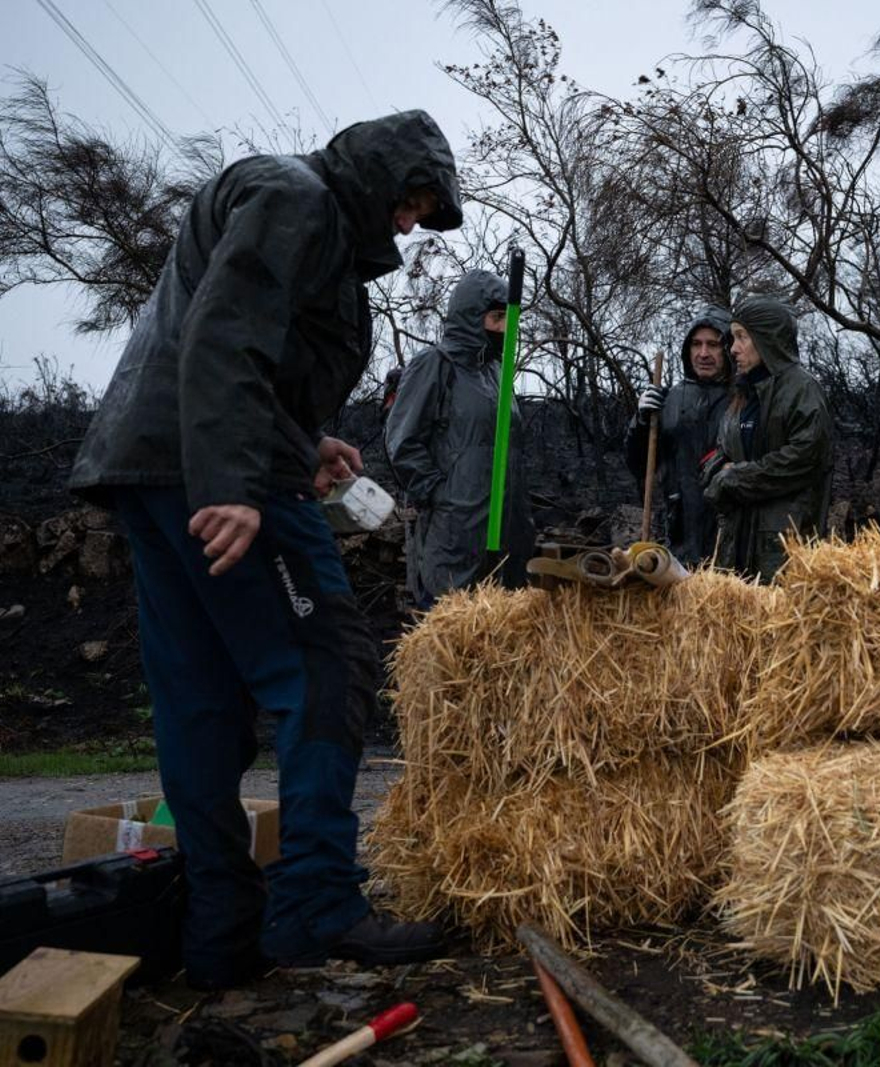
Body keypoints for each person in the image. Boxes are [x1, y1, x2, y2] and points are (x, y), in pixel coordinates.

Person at [68, 110, 463, 989]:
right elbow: (225, 336)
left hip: (152, 464)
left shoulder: (292, 200)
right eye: (410, 204)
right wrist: (234, 484)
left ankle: (220, 933)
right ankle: (316, 901)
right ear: (381, 177)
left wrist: (300, 445)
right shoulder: (298, 197)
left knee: (201, 696)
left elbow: (220, 345)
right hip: (207, 470)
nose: (409, 226)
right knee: (327, 666)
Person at [384, 269, 533, 607]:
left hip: (508, 533)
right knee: (455, 627)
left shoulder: (497, 372)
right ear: (470, 317)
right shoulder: (436, 364)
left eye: (509, 318)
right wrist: (443, 495)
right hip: (455, 533)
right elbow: (403, 441)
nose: (505, 328)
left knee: (503, 630)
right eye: (497, 317)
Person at [701, 296, 833, 581]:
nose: (733, 349)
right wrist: (718, 471)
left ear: (767, 339)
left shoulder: (802, 389)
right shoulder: (743, 393)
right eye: (733, 338)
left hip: (781, 550)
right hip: (735, 546)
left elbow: (803, 459)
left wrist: (734, 477)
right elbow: (721, 453)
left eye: (742, 337)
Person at [624, 308, 732, 566]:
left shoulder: (743, 398)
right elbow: (638, 464)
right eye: (696, 344)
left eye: (713, 345)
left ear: (728, 349)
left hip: (729, 530)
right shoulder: (670, 399)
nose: (703, 353)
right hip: (680, 529)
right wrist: (641, 421)